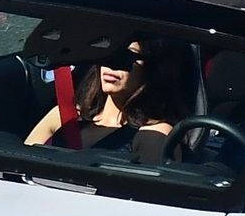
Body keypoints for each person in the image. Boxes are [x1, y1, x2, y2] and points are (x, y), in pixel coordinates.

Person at [26, 40, 179, 160]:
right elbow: (21, 161)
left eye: (127, 56)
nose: (113, 63)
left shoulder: (154, 135)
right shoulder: (64, 116)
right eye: (109, 53)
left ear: (153, 68)